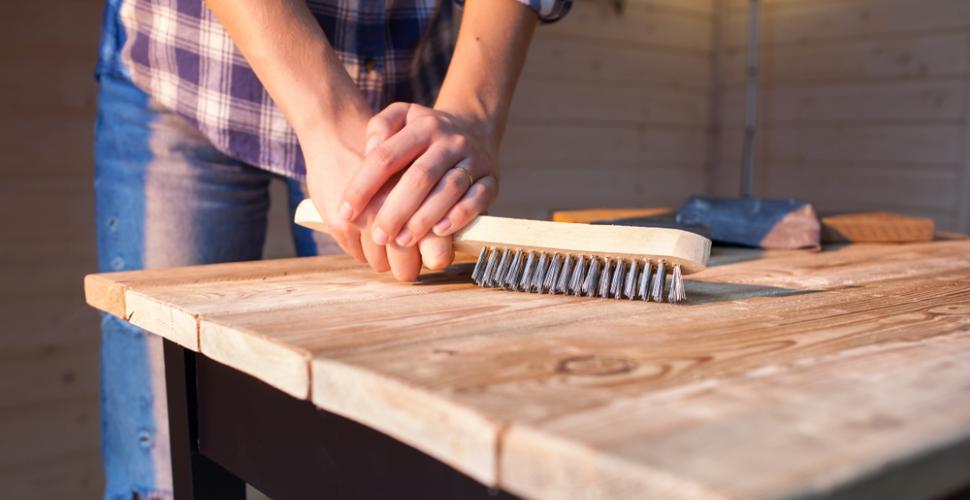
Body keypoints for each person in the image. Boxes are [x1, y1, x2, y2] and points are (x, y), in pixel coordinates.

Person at [93, 0, 571, 497]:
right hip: (189, 69)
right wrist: (327, 115)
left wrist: (470, 115)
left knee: (383, 458)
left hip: (396, 103)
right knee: (164, 472)